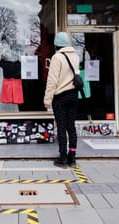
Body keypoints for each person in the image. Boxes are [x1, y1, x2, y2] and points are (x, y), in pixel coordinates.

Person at [44, 32, 80, 168]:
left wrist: (47, 99)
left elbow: (52, 80)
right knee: (71, 126)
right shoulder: (75, 56)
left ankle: (63, 158)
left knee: (62, 127)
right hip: (74, 95)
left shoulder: (57, 57)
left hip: (60, 97)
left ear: (57, 44)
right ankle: (73, 157)